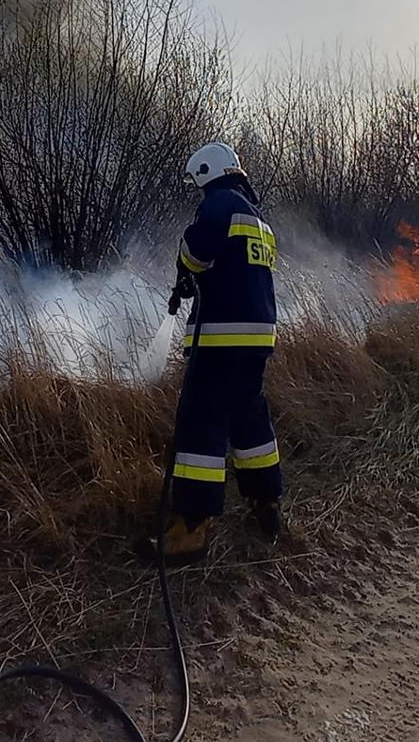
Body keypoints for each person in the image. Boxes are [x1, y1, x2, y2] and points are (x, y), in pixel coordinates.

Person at [141, 141, 283, 566]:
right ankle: (267, 506)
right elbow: (235, 272)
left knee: (201, 423)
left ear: (206, 173)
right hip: (257, 339)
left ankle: (190, 530)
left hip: (221, 339)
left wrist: (185, 268)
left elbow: (196, 251)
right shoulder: (259, 220)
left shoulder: (219, 205)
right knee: (249, 420)